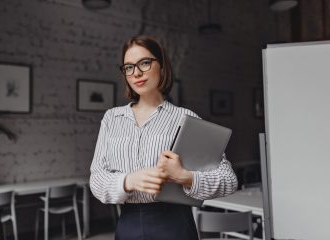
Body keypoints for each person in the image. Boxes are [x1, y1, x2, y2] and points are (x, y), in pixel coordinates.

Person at [89, 35, 238, 240]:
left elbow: (228, 180)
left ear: (162, 65)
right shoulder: (112, 118)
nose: (137, 73)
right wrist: (128, 180)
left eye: (145, 63)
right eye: (129, 67)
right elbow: (96, 179)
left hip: (175, 225)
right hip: (127, 226)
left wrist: (185, 176)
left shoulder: (185, 119)